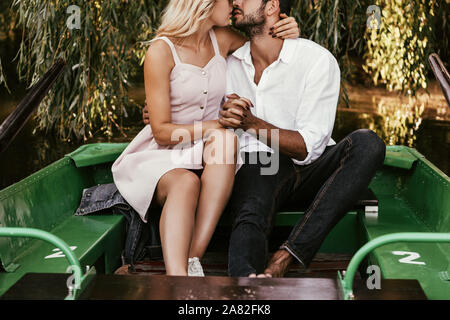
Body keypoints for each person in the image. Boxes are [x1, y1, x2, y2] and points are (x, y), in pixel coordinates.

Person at [112, 0, 300, 277]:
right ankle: (177, 281)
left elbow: (266, 47)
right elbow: (162, 131)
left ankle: (191, 261)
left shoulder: (223, 39)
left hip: (206, 147)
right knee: (186, 182)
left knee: (227, 141)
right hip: (162, 150)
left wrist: (287, 29)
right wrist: (216, 124)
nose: (235, 3)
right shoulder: (161, 51)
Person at [215, 0, 387, 278]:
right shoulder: (225, 61)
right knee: (250, 212)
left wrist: (251, 123)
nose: (235, 1)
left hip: (311, 169)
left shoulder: (315, 60)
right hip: (258, 165)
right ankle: (245, 284)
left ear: (272, 6)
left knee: (368, 144)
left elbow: (308, 149)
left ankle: (286, 256)